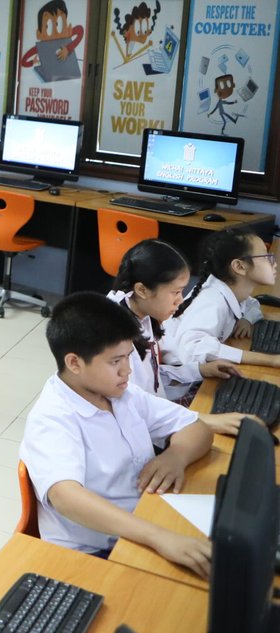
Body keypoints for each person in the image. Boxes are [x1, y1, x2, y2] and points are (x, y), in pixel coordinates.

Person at [19, 292, 215, 575]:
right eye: (115, 362)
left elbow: (196, 428)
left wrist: (176, 457)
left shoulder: (121, 393)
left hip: (144, 522)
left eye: (129, 357)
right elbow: (66, 497)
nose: (127, 370)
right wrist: (158, 536)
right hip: (95, 552)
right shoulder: (53, 418)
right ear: (74, 363)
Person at [107, 239, 248, 436]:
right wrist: (202, 420)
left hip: (156, 415)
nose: (180, 300)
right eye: (175, 292)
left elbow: (150, 377)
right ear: (142, 290)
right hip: (139, 430)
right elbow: (135, 404)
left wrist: (199, 370)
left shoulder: (141, 315)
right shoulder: (115, 339)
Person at [161, 226, 280, 402]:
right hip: (176, 385)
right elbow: (193, 348)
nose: (274, 262)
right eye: (265, 256)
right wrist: (270, 360)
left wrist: (246, 319)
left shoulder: (232, 289)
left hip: (193, 374)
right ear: (239, 266)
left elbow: (252, 304)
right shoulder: (212, 301)